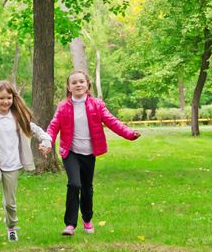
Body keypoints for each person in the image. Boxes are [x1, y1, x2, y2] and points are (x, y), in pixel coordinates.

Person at [47, 71, 141, 236]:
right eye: (74, 82)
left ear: (88, 85)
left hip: (89, 153)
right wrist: (47, 141)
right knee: (74, 184)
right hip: (70, 152)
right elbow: (54, 126)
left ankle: (87, 219)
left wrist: (129, 133)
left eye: (81, 81)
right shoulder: (63, 107)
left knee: (87, 188)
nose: (78, 85)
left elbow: (112, 121)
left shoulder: (97, 105)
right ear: (69, 87)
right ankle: (70, 224)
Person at [0, 80, 51, 242]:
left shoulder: (18, 117)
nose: (5, 101)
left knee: (10, 203)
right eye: (1, 98)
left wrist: (46, 140)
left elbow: (36, 130)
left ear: (13, 98)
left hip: (13, 165)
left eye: (9, 98)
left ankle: (11, 228)